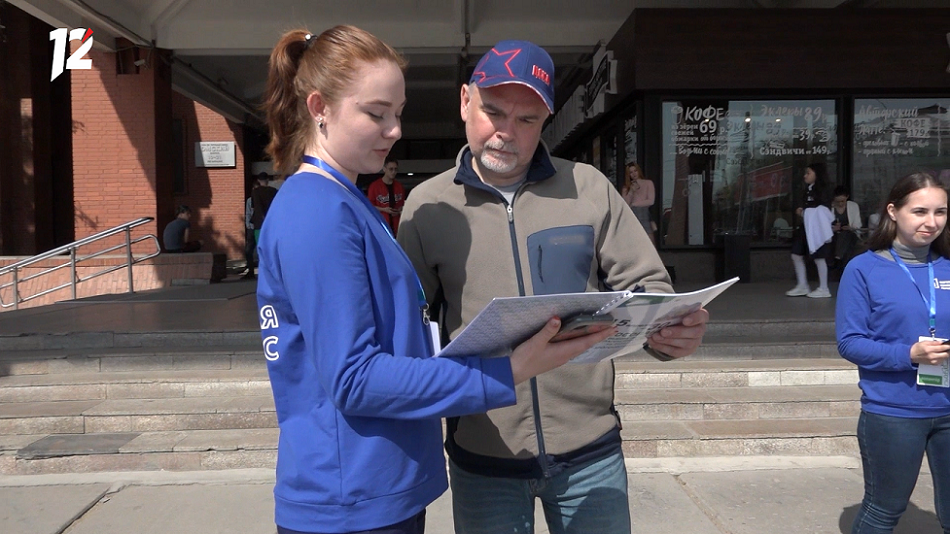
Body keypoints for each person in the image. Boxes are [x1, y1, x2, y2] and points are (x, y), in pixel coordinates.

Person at [255, 27, 615, 534]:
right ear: (320, 107)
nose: (394, 130)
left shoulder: (345, 202)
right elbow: (355, 378)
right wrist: (507, 371)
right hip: (351, 497)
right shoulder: (318, 212)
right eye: (376, 113)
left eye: (397, 113)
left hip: (373, 485)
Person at [397, 39, 709, 534]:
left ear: (546, 121)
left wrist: (673, 332)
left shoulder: (588, 189)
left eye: (527, 120)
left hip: (590, 451)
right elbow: (408, 325)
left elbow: (649, 287)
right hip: (484, 452)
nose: (505, 133)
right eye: (492, 112)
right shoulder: (426, 206)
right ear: (463, 100)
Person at [836, 172, 950, 534]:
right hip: (894, 412)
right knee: (884, 510)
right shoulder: (864, 269)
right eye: (919, 211)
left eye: (941, 212)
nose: (931, 222)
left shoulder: (947, 265)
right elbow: (850, 342)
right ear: (893, 211)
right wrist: (909, 354)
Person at [785, 162, 834, 298]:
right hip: (805, 227)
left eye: (808, 173)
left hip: (817, 229)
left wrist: (804, 212)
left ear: (817, 175)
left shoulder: (824, 191)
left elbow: (823, 211)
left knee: (819, 257)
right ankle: (802, 285)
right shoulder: (807, 190)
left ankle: (823, 287)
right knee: (796, 254)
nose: (805, 176)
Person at [367, 155, 406, 235]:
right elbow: (369, 206)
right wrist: (384, 209)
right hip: (381, 225)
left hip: (397, 226)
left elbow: (402, 205)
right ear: (384, 169)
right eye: (391, 169)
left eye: (395, 169)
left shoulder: (399, 186)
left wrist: (398, 211)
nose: (393, 172)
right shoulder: (374, 186)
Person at [621, 162, 656, 245]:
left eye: (635, 171)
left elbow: (651, 201)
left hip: (644, 215)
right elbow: (625, 205)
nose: (634, 174)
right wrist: (631, 191)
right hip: (631, 217)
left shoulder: (648, 183)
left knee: (650, 243)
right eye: (631, 172)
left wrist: (634, 204)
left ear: (638, 171)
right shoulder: (626, 188)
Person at [831, 185, 862, 269]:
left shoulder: (853, 206)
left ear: (847, 197)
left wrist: (850, 227)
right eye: (838, 201)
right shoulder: (830, 207)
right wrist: (833, 228)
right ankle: (843, 265)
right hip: (834, 235)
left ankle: (838, 257)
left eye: (843, 201)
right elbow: (825, 225)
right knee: (847, 245)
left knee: (847, 234)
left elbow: (857, 225)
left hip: (850, 233)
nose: (840, 203)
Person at [251, 172, 278, 243]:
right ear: (267, 180)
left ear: (258, 180)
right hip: (271, 222)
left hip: (258, 222)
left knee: (260, 244)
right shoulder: (273, 191)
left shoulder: (255, 192)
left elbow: (254, 206)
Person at [244, 179, 258, 279]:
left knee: (259, 250)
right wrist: (248, 225)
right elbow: (248, 213)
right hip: (251, 228)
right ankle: (251, 270)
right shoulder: (250, 200)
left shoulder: (261, 200)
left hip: (259, 227)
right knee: (249, 250)